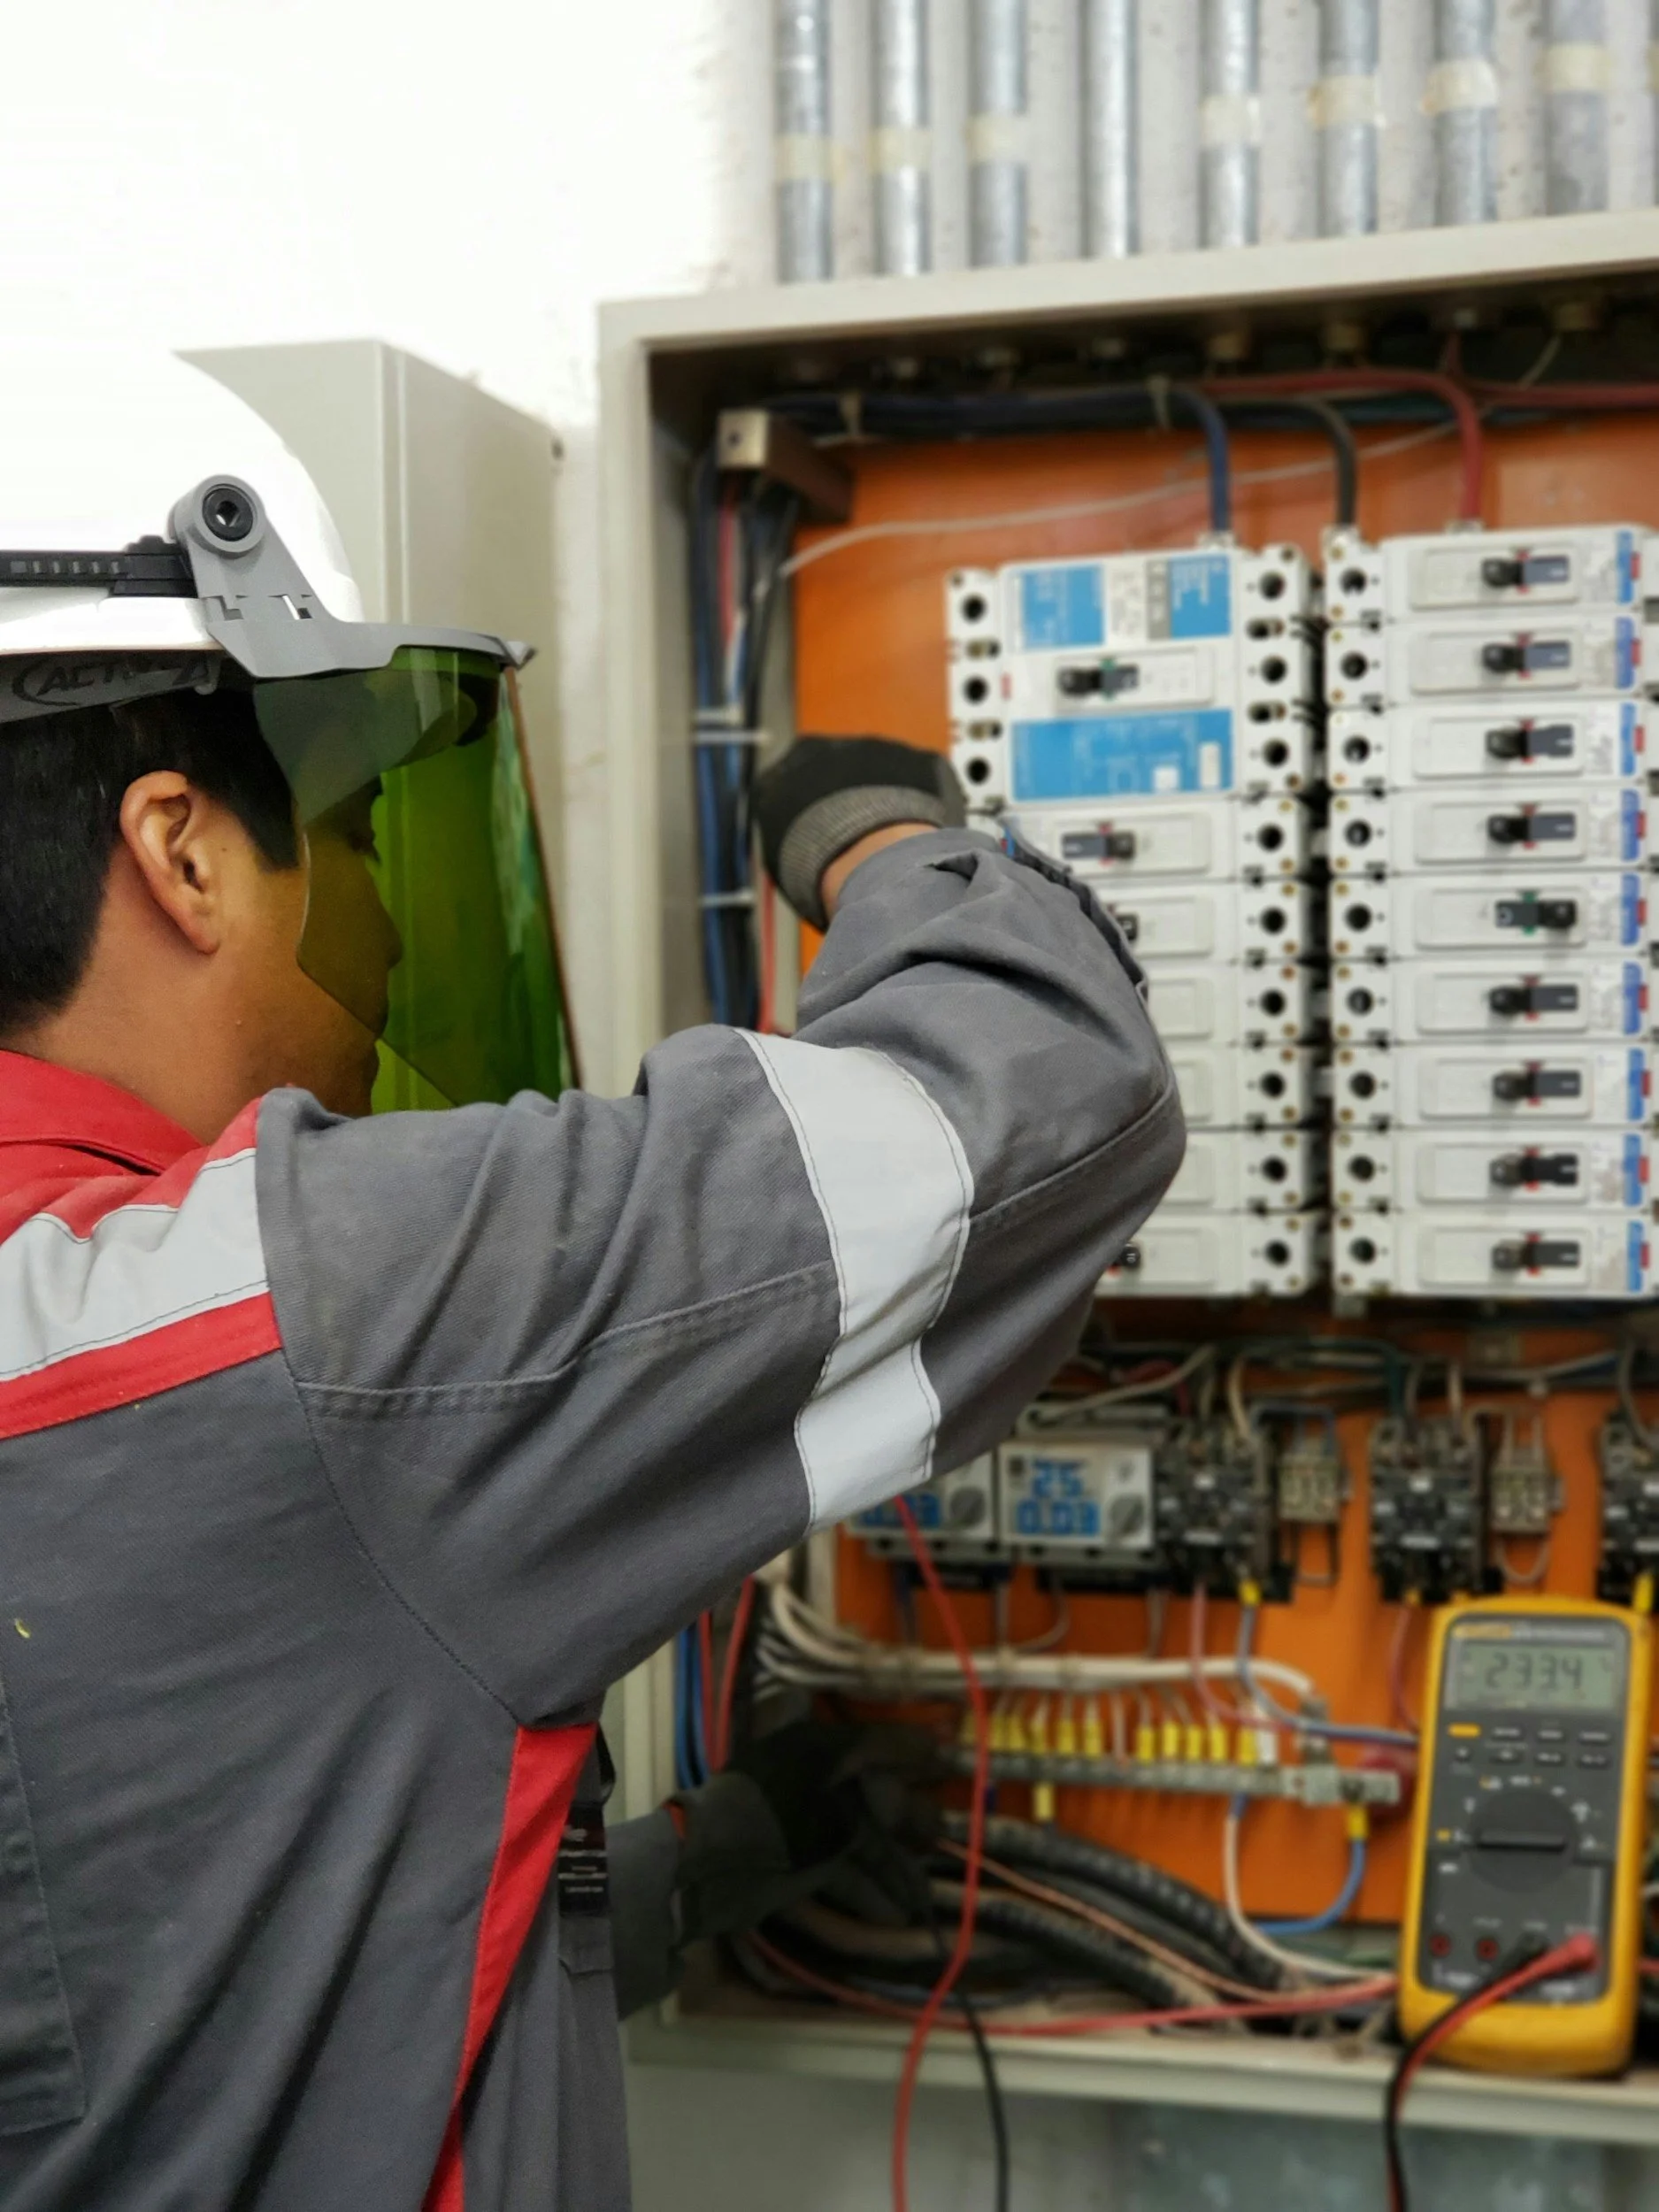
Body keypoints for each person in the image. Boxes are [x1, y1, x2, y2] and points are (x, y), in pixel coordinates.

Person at [0, 346, 1183, 2212]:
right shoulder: (310, 1320)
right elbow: (1045, 1096)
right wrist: (880, 836)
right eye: (349, 836)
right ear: (182, 851)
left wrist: (701, 1869)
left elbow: (159, 1998)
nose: (384, 921)